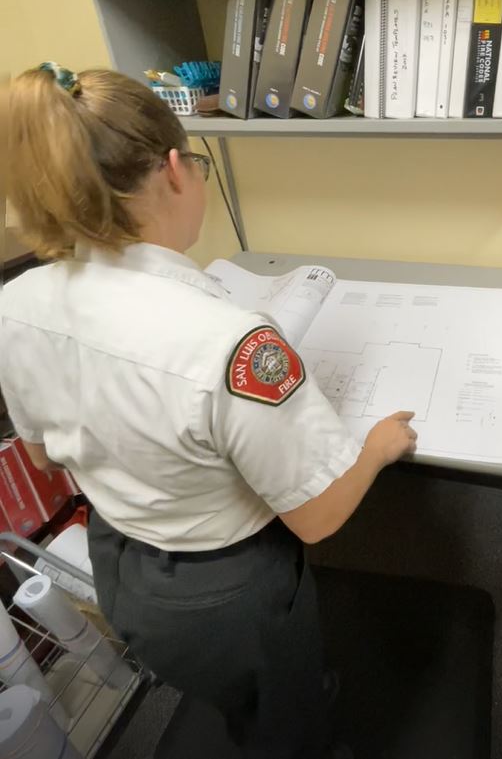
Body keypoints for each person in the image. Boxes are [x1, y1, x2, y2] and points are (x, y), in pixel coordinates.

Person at [0, 64, 418, 758]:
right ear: (173, 169)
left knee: (237, 695)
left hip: (124, 569)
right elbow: (316, 516)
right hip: (229, 595)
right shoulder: (229, 338)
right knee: (289, 722)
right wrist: (373, 445)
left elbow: (43, 453)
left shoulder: (16, 304)